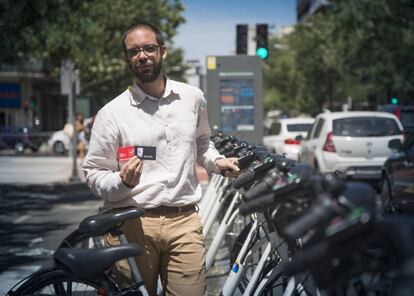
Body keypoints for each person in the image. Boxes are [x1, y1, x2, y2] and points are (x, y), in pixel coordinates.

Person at [83, 21, 240, 296]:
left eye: (149, 48)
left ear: (163, 52)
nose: (142, 56)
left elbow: (202, 142)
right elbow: (94, 172)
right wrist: (122, 182)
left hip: (184, 220)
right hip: (131, 223)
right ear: (127, 59)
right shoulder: (112, 113)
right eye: (134, 52)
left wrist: (217, 162)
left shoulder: (192, 97)